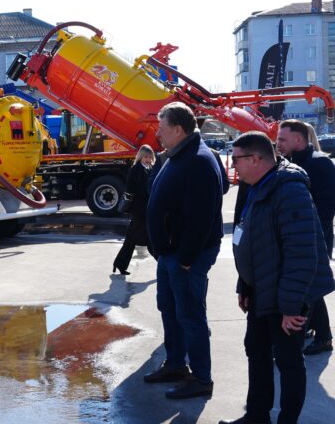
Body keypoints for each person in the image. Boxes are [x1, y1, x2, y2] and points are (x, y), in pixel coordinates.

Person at [219, 132, 335, 424]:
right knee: (256, 352)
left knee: (289, 362)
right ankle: (257, 416)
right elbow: (253, 242)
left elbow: (301, 254)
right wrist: (244, 285)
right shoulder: (259, 186)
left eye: (236, 159)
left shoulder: (289, 190)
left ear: (256, 159)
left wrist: (291, 308)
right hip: (261, 291)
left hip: (284, 298)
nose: (233, 165)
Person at [143, 102, 225, 400]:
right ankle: (177, 364)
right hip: (171, 254)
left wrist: (187, 259)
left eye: (162, 128)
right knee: (169, 309)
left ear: (178, 129)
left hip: (187, 256)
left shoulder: (199, 160)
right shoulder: (179, 155)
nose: (158, 133)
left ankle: (201, 378)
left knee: (190, 315)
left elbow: (202, 218)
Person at [276, 119, 335, 355]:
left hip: (314, 238)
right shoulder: (291, 162)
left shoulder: (319, 164)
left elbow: (328, 205)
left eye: (282, 139)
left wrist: (312, 237)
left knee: (309, 286)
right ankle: (316, 331)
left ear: (298, 140)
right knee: (308, 286)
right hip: (300, 238)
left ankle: (322, 336)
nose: (277, 143)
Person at [112, 145, 155, 275]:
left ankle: (119, 263)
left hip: (146, 208)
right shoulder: (135, 170)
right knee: (148, 238)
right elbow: (130, 189)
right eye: (145, 157)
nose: (148, 159)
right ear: (140, 156)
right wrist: (148, 192)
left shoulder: (150, 168)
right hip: (139, 209)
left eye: (149, 157)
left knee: (133, 238)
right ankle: (165, 264)